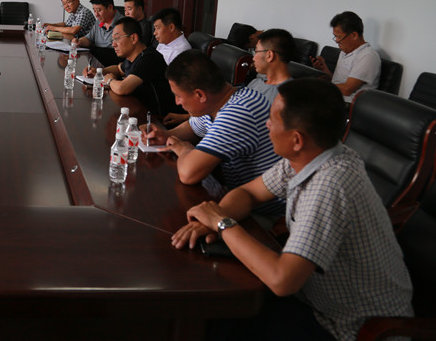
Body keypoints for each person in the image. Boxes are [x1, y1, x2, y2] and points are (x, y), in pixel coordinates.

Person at [171, 79, 413, 341]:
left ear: (296, 139)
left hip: (348, 327)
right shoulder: (312, 156)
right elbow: (249, 193)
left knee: (216, 318)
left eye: (272, 120)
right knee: (217, 309)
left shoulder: (330, 185)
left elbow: (282, 280)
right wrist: (209, 221)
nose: (266, 124)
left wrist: (222, 224)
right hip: (312, 297)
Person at [146, 50, 283, 215]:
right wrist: (166, 135)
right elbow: (192, 128)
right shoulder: (218, 101)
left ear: (200, 95)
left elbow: (189, 174)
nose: (177, 102)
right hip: (238, 200)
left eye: (178, 96)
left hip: (265, 217)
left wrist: (184, 149)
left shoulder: (239, 112)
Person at [82, 17, 172, 115]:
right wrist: (99, 71)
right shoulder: (133, 57)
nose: (113, 44)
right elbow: (119, 69)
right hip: (137, 110)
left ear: (133, 38)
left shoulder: (149, 58)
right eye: (112, 40)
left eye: (117, 38)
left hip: (156, 118)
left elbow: (122, 88)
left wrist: (110, 80)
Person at [310, 11, 381, 103]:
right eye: (335, 37)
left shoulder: (368, 56)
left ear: (354, 35)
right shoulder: (345, 51)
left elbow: (347, 89)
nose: (336, 41)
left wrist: (319, 86)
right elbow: (338, 82)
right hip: (333, 97)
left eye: (339, 37)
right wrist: (324, 69)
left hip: (347, 105)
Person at [246, 28, 296, 105]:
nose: (253, 58)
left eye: (256, 52)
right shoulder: (256, 82)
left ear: (269, 55)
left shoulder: (287, 96)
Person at [76, 0, 124, 66]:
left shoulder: (123, 24)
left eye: (99, 10)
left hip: (112, 64)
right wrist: (79, 41)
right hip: (96, 62)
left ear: (110, 7)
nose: (96, 14)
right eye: (94, 11)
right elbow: (89, 39)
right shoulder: (99, 22)